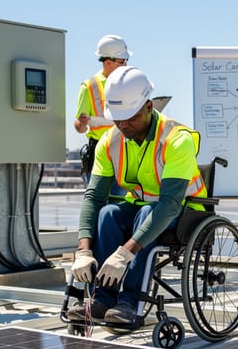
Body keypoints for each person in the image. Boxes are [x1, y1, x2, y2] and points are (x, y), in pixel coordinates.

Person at [67, 66, 207, 325]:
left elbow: (169, 204)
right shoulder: (110, 141)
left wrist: (125, 253)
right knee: (108, 213)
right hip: (143, 207)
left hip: (186, 211)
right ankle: (102, 298)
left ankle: (130, 301)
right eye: (117, 118)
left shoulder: (177, 139)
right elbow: (94, 197)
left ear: (149, 107)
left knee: (146, 212)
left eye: (129, 117)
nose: (123, 125)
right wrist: (83, 250)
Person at [74, 34, 131, 191]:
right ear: (108, 62)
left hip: (125, 156)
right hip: (100, 157)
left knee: (122, 207)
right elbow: (79, 126)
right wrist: (83, 123)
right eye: (122, 61)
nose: (126, 64)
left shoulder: (128, 84)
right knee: (100, 205)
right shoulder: (89, 87)